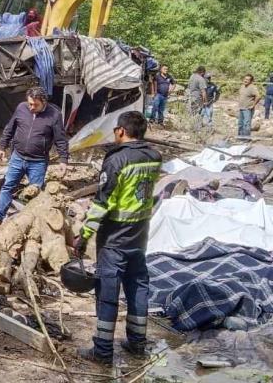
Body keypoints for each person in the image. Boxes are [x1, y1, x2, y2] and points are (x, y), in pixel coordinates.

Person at [72, 111, 161, 365]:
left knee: (108, 292)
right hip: (140, 235)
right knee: (137, 287)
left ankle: (102, 350)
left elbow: (102, 203)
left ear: (121, 131)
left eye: (115, 131)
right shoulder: (154, 157)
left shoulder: (116, 161)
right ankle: (137, 343)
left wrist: (84, 236)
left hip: (114, 238)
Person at [0, 87, 68, 230]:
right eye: (30, 103)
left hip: (38, 162)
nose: (31, 107)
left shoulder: (54, 115)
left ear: (44, 102)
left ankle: (31, 226)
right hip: (17, 157)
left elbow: (61, 139)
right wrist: (2, 146)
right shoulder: (21, 108)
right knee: (7, 187)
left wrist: (63, 159)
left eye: (35, 105)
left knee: (35, 194)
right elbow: (10, 128)